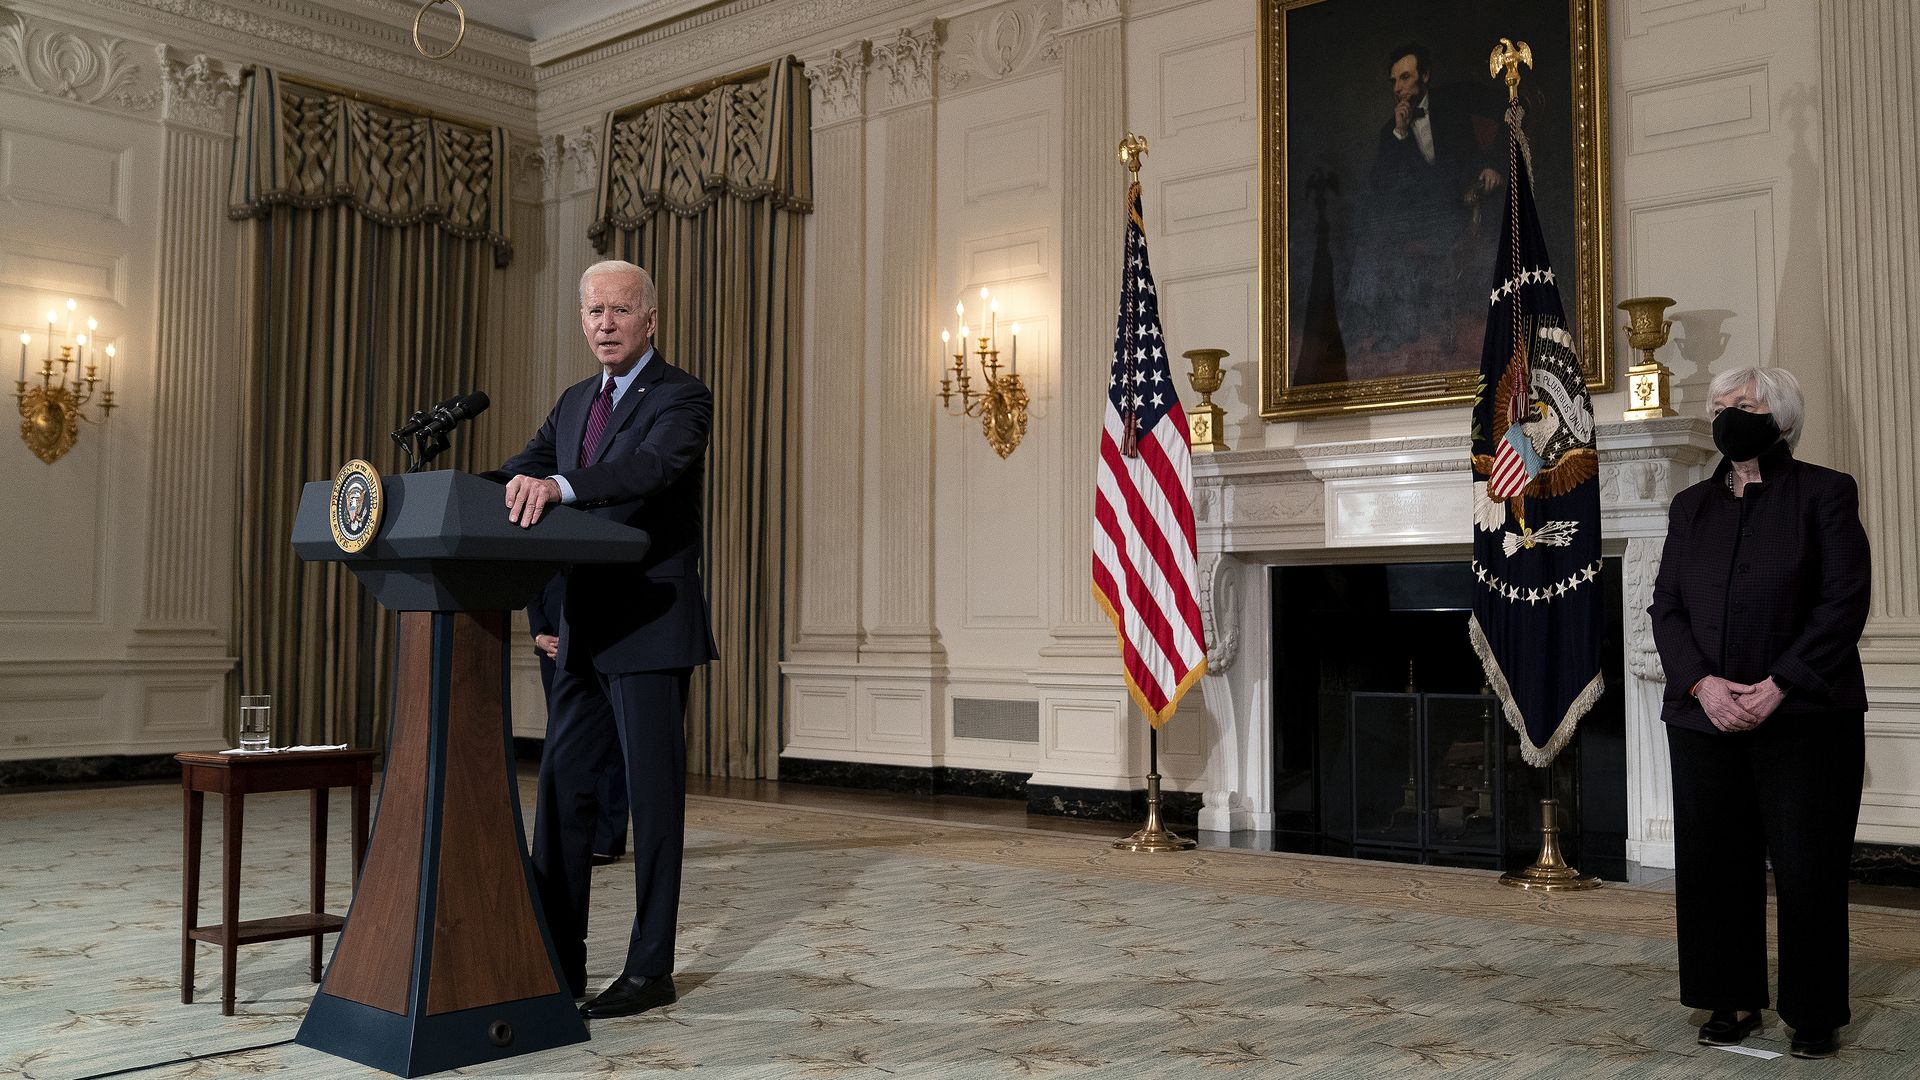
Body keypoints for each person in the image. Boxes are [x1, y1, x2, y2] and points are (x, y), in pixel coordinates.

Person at [495, 259, 718, 1019]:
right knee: (561, 796)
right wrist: (432, 493)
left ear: (650, 318)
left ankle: (650, 969)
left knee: (653, 809)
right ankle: (557, 962)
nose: (605, 323)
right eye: (594, 311)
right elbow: (519, 474)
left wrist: (560, 487)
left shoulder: (681, 396)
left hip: (650, 626)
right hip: (584, 630)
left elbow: (651, 468)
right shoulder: (572, 402)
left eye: (620, 309)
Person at [1649, 366, 1871, 1060]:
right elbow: (1667, 606)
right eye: (1716, 407)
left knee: (1807, 867)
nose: (1724, 418)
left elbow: (1842, 604)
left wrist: (1778, 685)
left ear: (1778, 416)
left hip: (1805, 715)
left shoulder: (1826, 494)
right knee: (1715, 866)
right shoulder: (1690, 506)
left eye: (1738, 406)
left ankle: (1813, 1011)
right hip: (1703, 717)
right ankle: (1731, 997)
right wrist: (1701, 686)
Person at [526, 572, 628, 866]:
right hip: (553, 648)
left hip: (601, 637)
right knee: (563, 743)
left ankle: (608, 839)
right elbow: (533, 589)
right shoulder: (542, 538)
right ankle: (568, 838)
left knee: (608, 742)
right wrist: (539, 634)